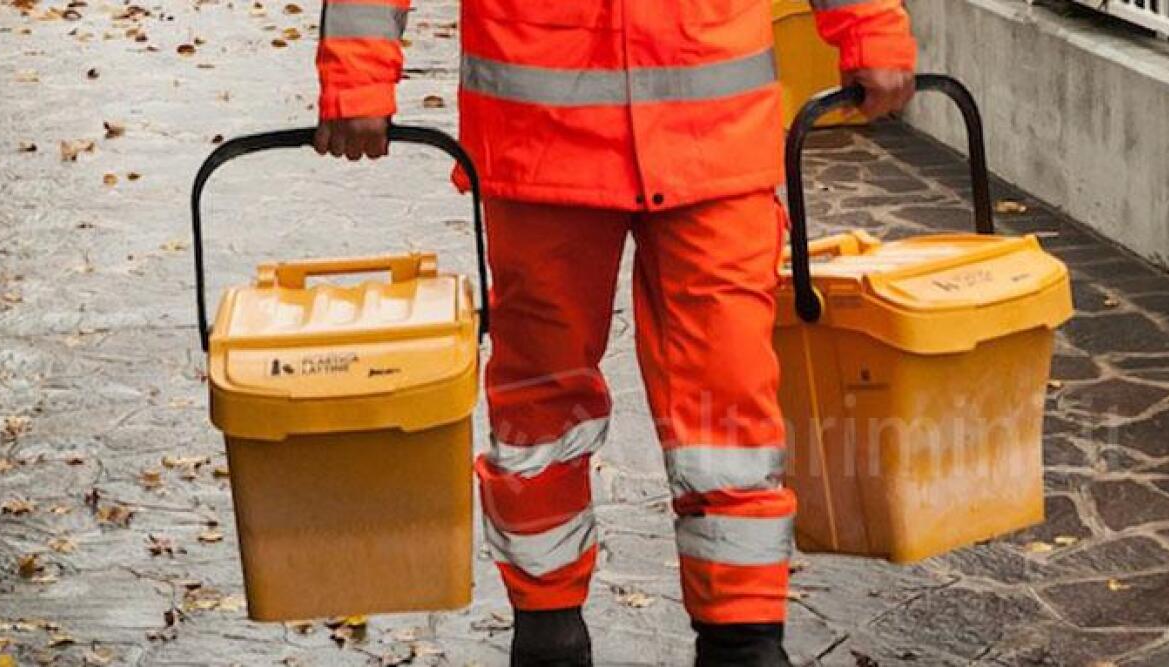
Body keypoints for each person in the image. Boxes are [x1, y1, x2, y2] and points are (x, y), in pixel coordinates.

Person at [315, 1, 916, 664]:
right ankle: (548, 629)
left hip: (708, 134)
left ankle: (743, 636)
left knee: (731, 400)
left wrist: (871, 25)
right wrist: (356, 74)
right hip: (544, 138)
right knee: (541, 409)